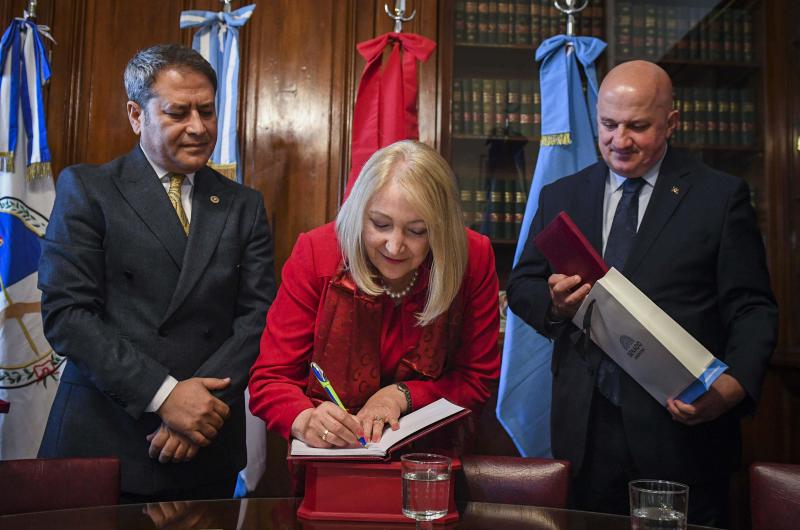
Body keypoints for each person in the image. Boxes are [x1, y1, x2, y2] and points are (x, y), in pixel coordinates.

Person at [507, 60, 777, 527]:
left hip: (681, 429)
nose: (619, 140)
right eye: (609, 125)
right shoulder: (562, 195)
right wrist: (554, 305)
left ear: (671, 123)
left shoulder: (719, 196)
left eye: (638, 126)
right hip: (585, 430)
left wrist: (733, 388)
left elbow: (752, 307)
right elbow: (522, 286)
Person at [37, 44, 276, 502]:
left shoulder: (244, 205)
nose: (198, 127)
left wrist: (201, 410)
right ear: (135, 114)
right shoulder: (89, 189)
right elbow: (68, 315)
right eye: (178, 112)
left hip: (206, 445)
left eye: (207, 111)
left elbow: (258, 319)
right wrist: (165, 396)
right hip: (107, 442)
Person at [248, 140, 500, 450]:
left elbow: (477, 380)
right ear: (359, 213)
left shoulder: (472, 257)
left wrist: (401, 395)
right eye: (380, 224)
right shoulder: (317, 253)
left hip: (431, 459)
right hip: (332, 460)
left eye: (417, 230)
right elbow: (270, 379)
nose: (394, 246)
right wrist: (304, 419)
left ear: (441, 229)